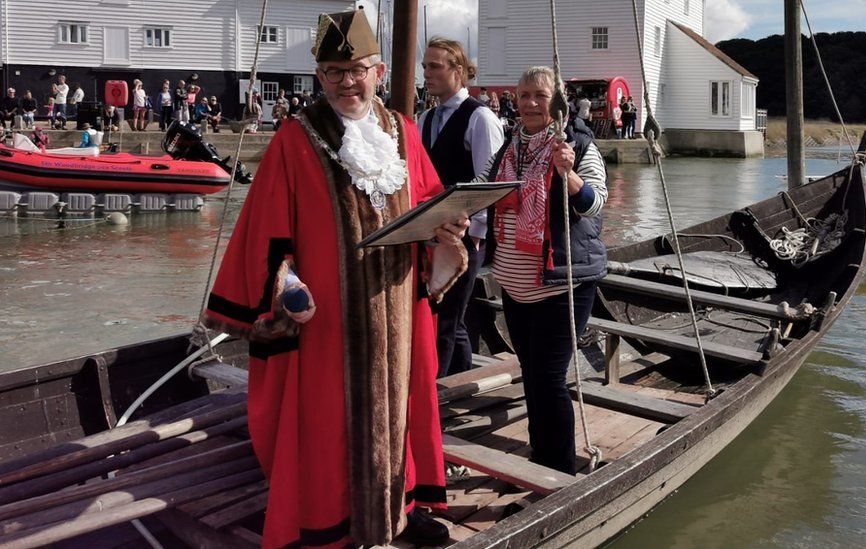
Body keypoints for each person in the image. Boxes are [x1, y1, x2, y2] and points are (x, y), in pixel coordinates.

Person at [201, 10, 464, 547]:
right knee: (328, 426)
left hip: (396, 309)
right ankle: (331, 523)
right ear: (319, 77)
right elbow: (265, 237)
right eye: (334, 72)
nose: (348, 82)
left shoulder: (403, 131)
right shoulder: (294, 142)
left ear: (380, 71)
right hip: (327, 323)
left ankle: (402, 504)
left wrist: (448, 222)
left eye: (358, 70)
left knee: (402, 405)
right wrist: (285, 287)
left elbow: (431, 196)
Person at [481, 66, 608, 475]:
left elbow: (594, 204)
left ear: (556, 102)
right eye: (523, 96)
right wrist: (449, 213)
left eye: (540, 95)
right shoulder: (507, 148)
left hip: (561, 285)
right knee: (531, 376)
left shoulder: (579, 146)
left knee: (549, 379)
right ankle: (540, 457)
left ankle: (558, 471)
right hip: (516, 288)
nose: (531, 103)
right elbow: (479, 190)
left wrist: (567, 175)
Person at [419, 37, 505, 378]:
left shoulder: (479, 118)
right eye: (425, 66)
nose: (427, 73)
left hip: (465, 238)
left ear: (458, 71)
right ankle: (455, 387)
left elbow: (490, 182)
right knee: (443, 319)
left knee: (448, 319)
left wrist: (479, 236)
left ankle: (442, 393)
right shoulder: (425, 118)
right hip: (429, 234)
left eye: (435, 66)